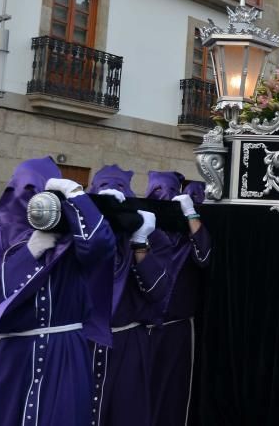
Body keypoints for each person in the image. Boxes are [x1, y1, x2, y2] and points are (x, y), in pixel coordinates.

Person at [0, 157, 115, 426]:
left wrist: (78, 197)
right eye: (21, 191)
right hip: (11, 356)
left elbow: (101, 246)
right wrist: (29, 253)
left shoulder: (74, 239)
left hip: (65, 353)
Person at [86, 165, 170, 426]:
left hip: (127, 342)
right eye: (102, 188)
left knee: (125, 411)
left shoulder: (151, 233)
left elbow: (158, 291)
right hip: (81, 343)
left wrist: (141, 245)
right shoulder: (79, 233)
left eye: (120, 187)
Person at [145, 170, 213, 426]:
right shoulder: (144, 232)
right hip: (141, 329)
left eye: (169, 194)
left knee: (172, 393)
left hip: (177, 329)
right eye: (156, 194)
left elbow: (204, 256)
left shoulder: (188, 239)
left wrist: (191, 215)